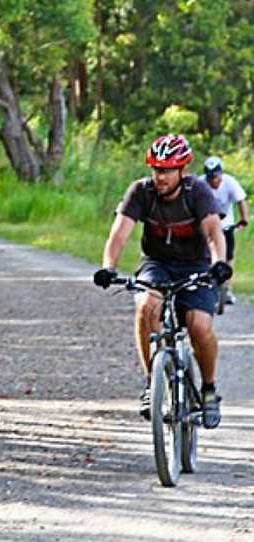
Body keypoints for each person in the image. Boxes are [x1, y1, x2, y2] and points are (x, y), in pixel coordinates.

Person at [93, 134, 232, 428]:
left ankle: (208, 390)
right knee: (146, 306)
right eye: (156, 169)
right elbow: (119, 233)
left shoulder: (198, 192)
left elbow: (213, 232)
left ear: (182, 170)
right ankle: (152, 383)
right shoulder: (140, 192)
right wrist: (108, 266)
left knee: (199, 326)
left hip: (196, 267)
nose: (161, 176)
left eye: (168, 170)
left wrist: (219, 263)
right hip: (157, 264)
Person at [200, 156, 249, 304]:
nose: (213, 181)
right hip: (207, 224)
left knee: (228, 257)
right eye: (210, 178)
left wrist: (244, 219)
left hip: (226, 224)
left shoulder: (230, 182)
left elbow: (241, 201)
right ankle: (205, 285)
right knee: (204, 255)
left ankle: (227, 289)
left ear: (221, 173)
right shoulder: (200, 184)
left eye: (216, 177)